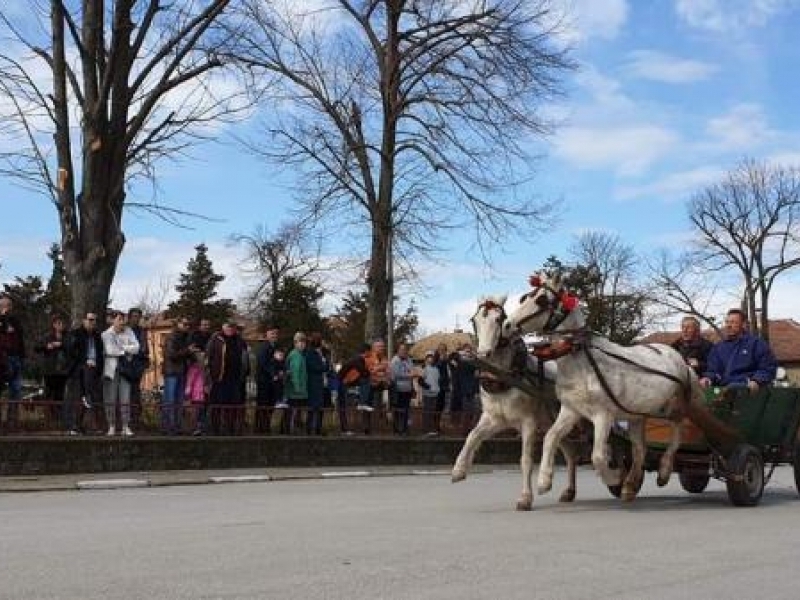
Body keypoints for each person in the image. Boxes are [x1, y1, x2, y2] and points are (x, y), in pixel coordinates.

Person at [700, 309, 778, 392]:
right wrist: (708, 378)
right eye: (727, 322)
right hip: (722, 388)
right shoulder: (718, 348)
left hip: (747, 389)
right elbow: (713, 370)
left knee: (734, 387)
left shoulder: (756, 344)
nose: (728, 325)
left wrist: (756, 380)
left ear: (743, 324)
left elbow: (767, 368)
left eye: (733, 322)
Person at [63, 312, 104, 435]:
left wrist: (97, 366)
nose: (93, 322)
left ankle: (81, 425)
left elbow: (100, 354)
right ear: (84, 321)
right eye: (90, 320)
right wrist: (86, 361)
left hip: (93, 371)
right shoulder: (75, 334)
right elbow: (71, 352)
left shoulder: (97, 336)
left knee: (88, 396)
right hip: (79, 371)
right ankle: (75, 426)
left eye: (95, 320)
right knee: (81, 396)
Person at [101, 310, 140, 436]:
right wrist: (126, 350)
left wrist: (122, 348)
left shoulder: (129, 331)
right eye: (119, 320)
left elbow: (137, 348)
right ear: (113, 320)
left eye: (123, 321)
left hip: (125, 370)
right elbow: (110, 350)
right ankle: (111, 425)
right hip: (110, 371)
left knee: (125, 398)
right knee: (110, 398)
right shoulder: (106, 334)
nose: (122, 323)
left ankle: (125, 426)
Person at [206, 321, 246, 435]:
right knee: (217, 405)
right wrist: (208, 378)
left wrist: (243, 374)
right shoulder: (215, 339)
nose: (230, 329)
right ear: (223, 327)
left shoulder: (239, 340)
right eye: (228, 327)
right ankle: (215, 430)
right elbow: (207, 358)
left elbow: (244, 358)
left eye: (232, 327)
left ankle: (231, 429)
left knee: (232, 406)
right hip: (218, 378)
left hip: (234, 379)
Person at [35, 314, 70, 427]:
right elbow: (37, 347)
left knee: (60, 395)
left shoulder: (67, 337)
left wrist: (61, 344)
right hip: (50, 370)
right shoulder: (48, 336)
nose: (61, 326)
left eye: (62, 323)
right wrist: (47, 346)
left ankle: (59, 419)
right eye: (58, 323)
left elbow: (72, 347)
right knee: (48, 393)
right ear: (54, 325)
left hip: (63, 370)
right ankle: (47, 418)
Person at [161, 317, 192, 435]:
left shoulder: (186, 337)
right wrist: (187, 351)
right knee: (170, 400)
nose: (187, 326)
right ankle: (168, 426)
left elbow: (185, 354)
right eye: (185, 324)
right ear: (178, 324)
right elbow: (171, 355)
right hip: (171, 373)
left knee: (179, 401)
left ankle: (177, 426)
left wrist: (192, 353)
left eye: (188, 324)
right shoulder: (171, 337)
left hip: (182, 372)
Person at [0, 296, 25, 432]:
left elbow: (19, 336)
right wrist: (3, 318)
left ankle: (13, 422)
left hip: (16, 358)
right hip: (3, 359)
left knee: (16, 391)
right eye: (4, 306)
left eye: (9, 305)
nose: (7, 308)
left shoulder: (15, 321)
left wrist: (22, 357)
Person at [336, 343, 371, 435]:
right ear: (366, 351)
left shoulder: (356, 359)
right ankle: (345, 429)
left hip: (344, 383)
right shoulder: (358, 360)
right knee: (343, 406)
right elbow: (364, 372)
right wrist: (371, 372)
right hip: (342, 384)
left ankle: (345, 428)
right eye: (369, 352)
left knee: (344, 406)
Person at [254, 324, 280, 434]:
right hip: (264, 381)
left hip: (272, 382)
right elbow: (263, 363)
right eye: (272, 333)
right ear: (267, 334)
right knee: (263, 405)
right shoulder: (264, 347)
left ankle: (266, 426)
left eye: (276, 334)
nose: (274, 336)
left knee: (270, 405)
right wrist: (273, 373)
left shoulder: (275, 347)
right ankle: (260, 428)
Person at [126, 308, 150, 428]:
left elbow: (145, 349)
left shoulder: (142, 331)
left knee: (136, 393)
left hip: (137, 366)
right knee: (126, 393)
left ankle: (136, 419)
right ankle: (126, 419)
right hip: (125, 366)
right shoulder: (124, 330)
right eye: (134, 316)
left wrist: (144, 361)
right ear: (129, 317)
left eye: (138, 316)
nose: (136, 319)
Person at [449, 343, 479, 436]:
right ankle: (464, 430)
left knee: (470, 411)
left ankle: (467, 429)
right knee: (465, 411)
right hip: (461, 390)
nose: (467, 352)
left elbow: (476, 371)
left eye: (469, 350)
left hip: (471, 390)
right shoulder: (459, 361)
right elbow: (450, 359)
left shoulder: (472, 362)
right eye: (466, 351)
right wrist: (458, 352)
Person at [361, 339, 389, 435]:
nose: (382, 348)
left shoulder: (385, 359)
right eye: (379, 346)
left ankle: (377, 428)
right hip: (369, 386)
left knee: (378, 407)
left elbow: (387, 372)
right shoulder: (369, 357)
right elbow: (368, 371)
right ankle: (366, 429)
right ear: (373, 348)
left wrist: (383, 375)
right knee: (367, 407)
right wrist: (379, 369)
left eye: (382, 346)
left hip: (380, 386)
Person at [283, 332, 309, 434]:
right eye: (300, 342)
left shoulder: (299, 355)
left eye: (304, 342)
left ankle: (290, 430)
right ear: (295, 343)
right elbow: (295, 373)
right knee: (292, 412)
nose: (302, 345)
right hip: (296, 391)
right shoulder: (296, 355)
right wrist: (297, 387)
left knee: (295, 412)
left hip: (299, 390)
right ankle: (289, 431)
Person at [389, 343, 415, 435]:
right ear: (398, 350)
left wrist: (412, 384)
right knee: (397, 410)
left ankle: (404, 429)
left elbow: (412, 370)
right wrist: (409, 375)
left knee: (406, 410)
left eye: (405, 349)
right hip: (397, 389)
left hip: (407, 389)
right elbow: (396, 375)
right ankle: (396, 430)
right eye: (402, 349)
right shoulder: (395, 360)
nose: (404, 351)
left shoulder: (409, 360)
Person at [305, 332, 328, 435]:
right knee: (313, 407)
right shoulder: (310, 353)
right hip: (314, 383)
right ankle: (310, 428)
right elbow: (314, 367)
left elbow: (327, 365)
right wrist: (324, 367)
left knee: (320, 407)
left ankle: (318, 427)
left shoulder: (322, 352)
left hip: (322, 383)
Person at [420, 350, 441, 436]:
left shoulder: (436, 369)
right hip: (427, 394)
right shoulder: (424, 369)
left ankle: (431, 428)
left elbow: (438, 380)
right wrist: (427, 387)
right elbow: (420, 381)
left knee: (432, 411)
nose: (431, 359)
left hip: (435, 393)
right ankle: (426, 428)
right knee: (427, 411)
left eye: (432, 357)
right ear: (426, 359)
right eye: (429, 357)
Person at [433, 342, 451, 435]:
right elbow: (435, 368)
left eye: (444, 349)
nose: (442, 351)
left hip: (446, 386)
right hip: (438, 387)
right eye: (441, 350)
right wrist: (441, 360)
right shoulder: (436, 360)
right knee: (437, 407)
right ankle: (436, 427)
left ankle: (441, 426)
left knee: (444, 407)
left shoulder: (448, 360)